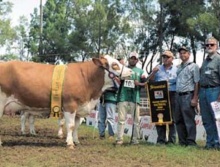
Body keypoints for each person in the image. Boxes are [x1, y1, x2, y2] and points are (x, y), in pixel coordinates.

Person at [116, 52, 146, 145]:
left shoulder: (141, 71)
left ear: (137, 60)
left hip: (135, 97)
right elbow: (117, 82)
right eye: (131, 58)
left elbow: (144, 84)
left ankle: (135, 140)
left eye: (135, 58)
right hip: (123, 96)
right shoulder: (122, 69)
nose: (133, 60)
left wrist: (139, 83)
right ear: (128, 59)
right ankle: (119, 139)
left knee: (136, 120)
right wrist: (121, 78)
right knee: (121, 119)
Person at [149, 50, 177, 145]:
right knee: (159, 117)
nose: (165, 59)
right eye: (164, 57)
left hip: (172, 94)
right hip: (159, 95)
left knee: (172, 118)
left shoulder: (176, 69)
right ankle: (161, 139)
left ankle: (171, 141)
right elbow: (151, 81)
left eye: (167, 57)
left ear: (172, 58)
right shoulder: (157, 68)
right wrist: (153, 72)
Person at [174, 46, 200, 146]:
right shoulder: (178, 67)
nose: (182, 55)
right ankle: (182, 141)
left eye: (184, 53)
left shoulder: (194, 66)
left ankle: (191, 141)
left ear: (189, 54)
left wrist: (195, 98)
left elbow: (197, 82)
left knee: (189, 120)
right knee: (179, 119)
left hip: (188, 95)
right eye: (180, 53)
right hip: (178, 95)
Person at [199, 37, 220, 149]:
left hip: (215, 91)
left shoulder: (219, 59)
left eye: (212, 44)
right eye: (207, 45)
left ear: (216, 46)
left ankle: (217, 143)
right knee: (206, 119)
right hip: (203, 91)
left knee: (216, 118)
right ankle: (210, 143)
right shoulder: (205, 61)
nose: (209, 47)